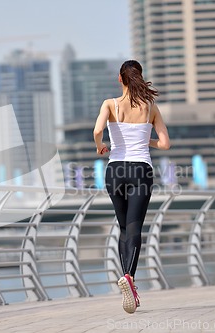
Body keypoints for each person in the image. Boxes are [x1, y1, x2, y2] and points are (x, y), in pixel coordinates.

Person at [93, 60, 170, 314]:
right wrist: (145, 138)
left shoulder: (110, 104)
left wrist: (100, 146)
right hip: (140, 170)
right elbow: (165, 144)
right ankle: (129, 278)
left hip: (115, 170)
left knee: (124, 227)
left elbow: (97, 130)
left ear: (120, 79)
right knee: (136, 226)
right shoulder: (150, 108)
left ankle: (127, 280)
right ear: (139, 77)